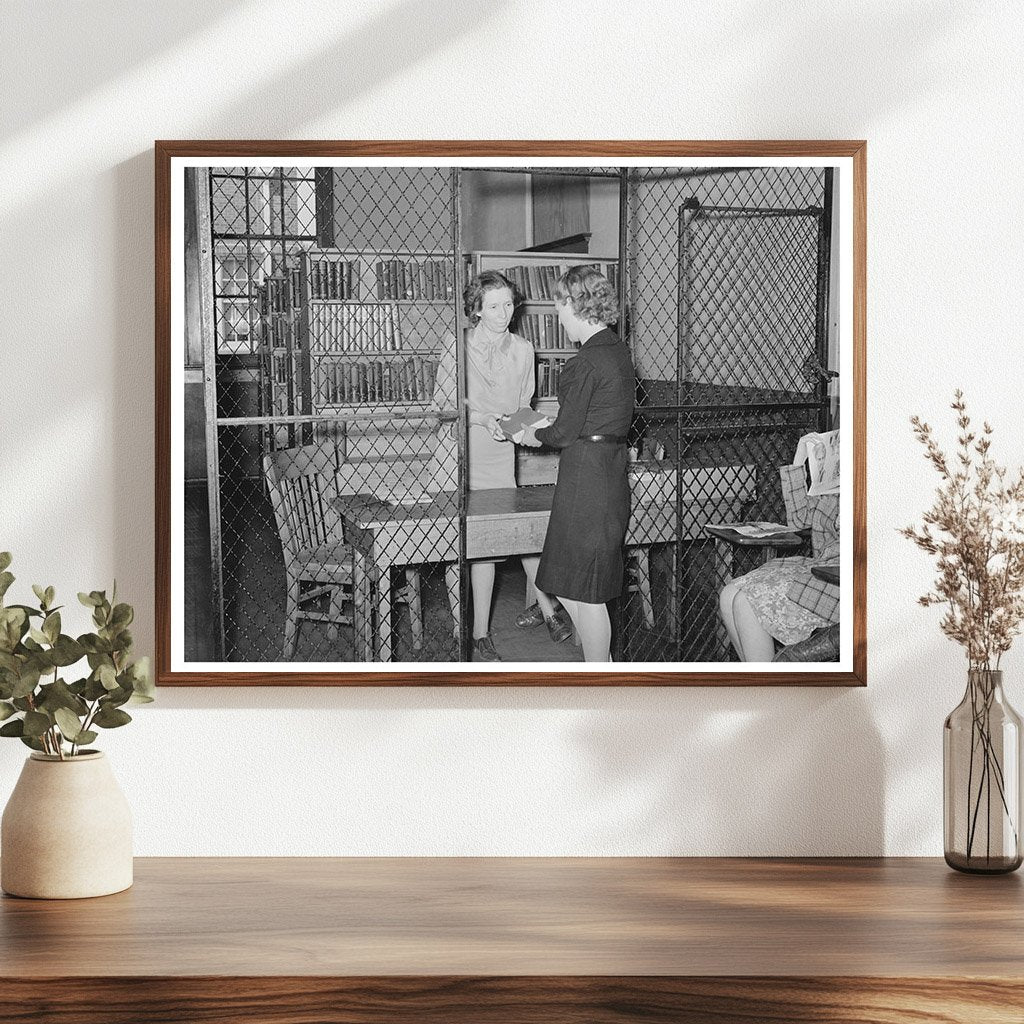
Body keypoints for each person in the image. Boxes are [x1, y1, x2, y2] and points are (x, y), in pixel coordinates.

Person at [432, 271, 572, 661]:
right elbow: (443, 405)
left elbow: (524, 405)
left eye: (509, 304)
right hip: (458, 452)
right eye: (493, 306)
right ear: (476, 309)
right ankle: (469, 632)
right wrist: (481, 419)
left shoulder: (525, 350)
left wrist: (522, 425)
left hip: (498, 455)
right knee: (464, 546)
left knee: (496, 541)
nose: (504, 313)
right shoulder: (457, 345)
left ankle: (495, 628)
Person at [519, 267, 635, 662]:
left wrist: (528, 434)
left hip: (585, 478)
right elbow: (588, 421)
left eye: (559, 309)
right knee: (577, 585)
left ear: (573, 304)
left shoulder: (583, 362)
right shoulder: (618, 351)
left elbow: (564, 432)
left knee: (583, 590)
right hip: (608, 471)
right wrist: (547, 428)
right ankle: (602, 667)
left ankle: (599, 674)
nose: (559, 318)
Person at [717, 466, 840, 661]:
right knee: (728, 594)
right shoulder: (838, 473)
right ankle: (759, 676)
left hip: (847, 578)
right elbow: (799, 520)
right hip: (820, 567)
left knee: (746, 603)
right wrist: (802, 454)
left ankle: (767, 679)